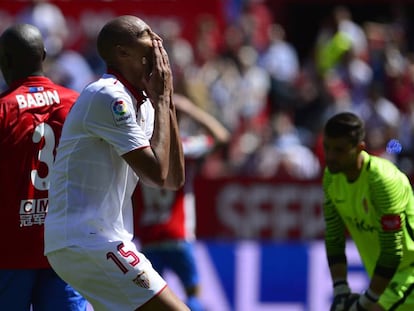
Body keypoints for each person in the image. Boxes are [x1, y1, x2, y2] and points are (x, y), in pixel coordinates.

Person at [43, 15, 189, 311]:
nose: (158, 43)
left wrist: (167, 101)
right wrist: (162, 100)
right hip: (87, 239)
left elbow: (174, 179)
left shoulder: (144, 103)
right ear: (123, 51)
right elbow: (156, 174)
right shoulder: (108, 96)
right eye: (147, 35)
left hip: (101, 237)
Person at [0, 24, 87, 310]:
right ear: (44, 55)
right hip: (66, 248)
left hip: (10, 252)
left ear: (5, 61)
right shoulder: (78, 103)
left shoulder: (3, 109)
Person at [133, 93, 230, 311]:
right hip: (177, 234)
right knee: (192, 295)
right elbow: (222, 137)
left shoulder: (136, 150)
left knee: (150, 300)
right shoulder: (183, 148)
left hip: (149, 236)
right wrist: (188, 109)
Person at [322, 111, 414, 311]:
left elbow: (392, 250)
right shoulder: (331, 177)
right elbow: (333, 236)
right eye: (327, 148)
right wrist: (340, 289)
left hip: (409, 273)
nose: (330, 157)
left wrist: (365, 302)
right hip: (386, 279)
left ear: (359, 148)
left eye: (339, 150)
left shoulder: (382, 181)